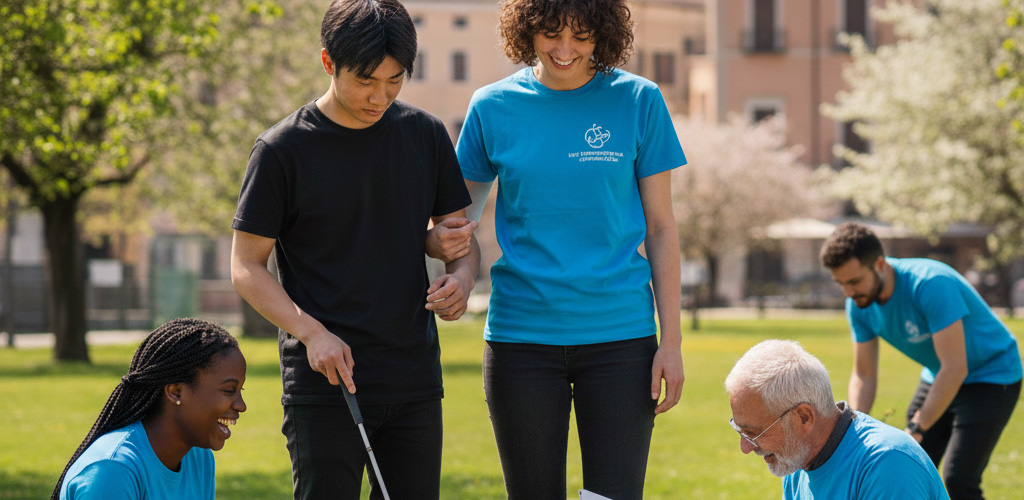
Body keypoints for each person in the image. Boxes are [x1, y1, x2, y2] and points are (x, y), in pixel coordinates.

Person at [230, 0, 479, 498]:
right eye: (366, 81)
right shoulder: (281, 151)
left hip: (413, 378)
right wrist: (310, 332)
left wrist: (462, 277)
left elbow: (459, 239)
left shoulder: (426, 135)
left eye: (394, 81)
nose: (379, 96)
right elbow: (245, 266)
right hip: (325, 382)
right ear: (328, 62)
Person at [442, 0, 686, 497]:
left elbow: (661, 228)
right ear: (526, 31)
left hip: (621, 338)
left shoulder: (640, 101)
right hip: (520, 339)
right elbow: (456, 223)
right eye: (552, 34)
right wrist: (461, 276)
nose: (566, 49)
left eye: (582, 35)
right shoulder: (492, 106)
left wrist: (672, 341)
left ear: (604, 34)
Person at [819, 222, 1022, 500]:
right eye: (841, 283)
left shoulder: (929, 283)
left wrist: (917, 426)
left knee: (958, 480)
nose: (848, 293)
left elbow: (955, 367)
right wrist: (852, 430)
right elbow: (864, 374)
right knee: (905, 465)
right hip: (938, 374)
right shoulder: (858, 304)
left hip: (992, 374)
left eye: (854, 281)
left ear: (879, 264)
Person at [725, 339, 949, 499]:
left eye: (754, 432)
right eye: (740, 430)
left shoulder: (887, 464)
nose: (745, 447)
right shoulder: (796, 459)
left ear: (804, 417)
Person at [52, 318, 247, 500]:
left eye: (240, 390)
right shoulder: (112, 470)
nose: (241, 405)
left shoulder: (199, 458)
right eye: (229, 390)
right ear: (176, 391)